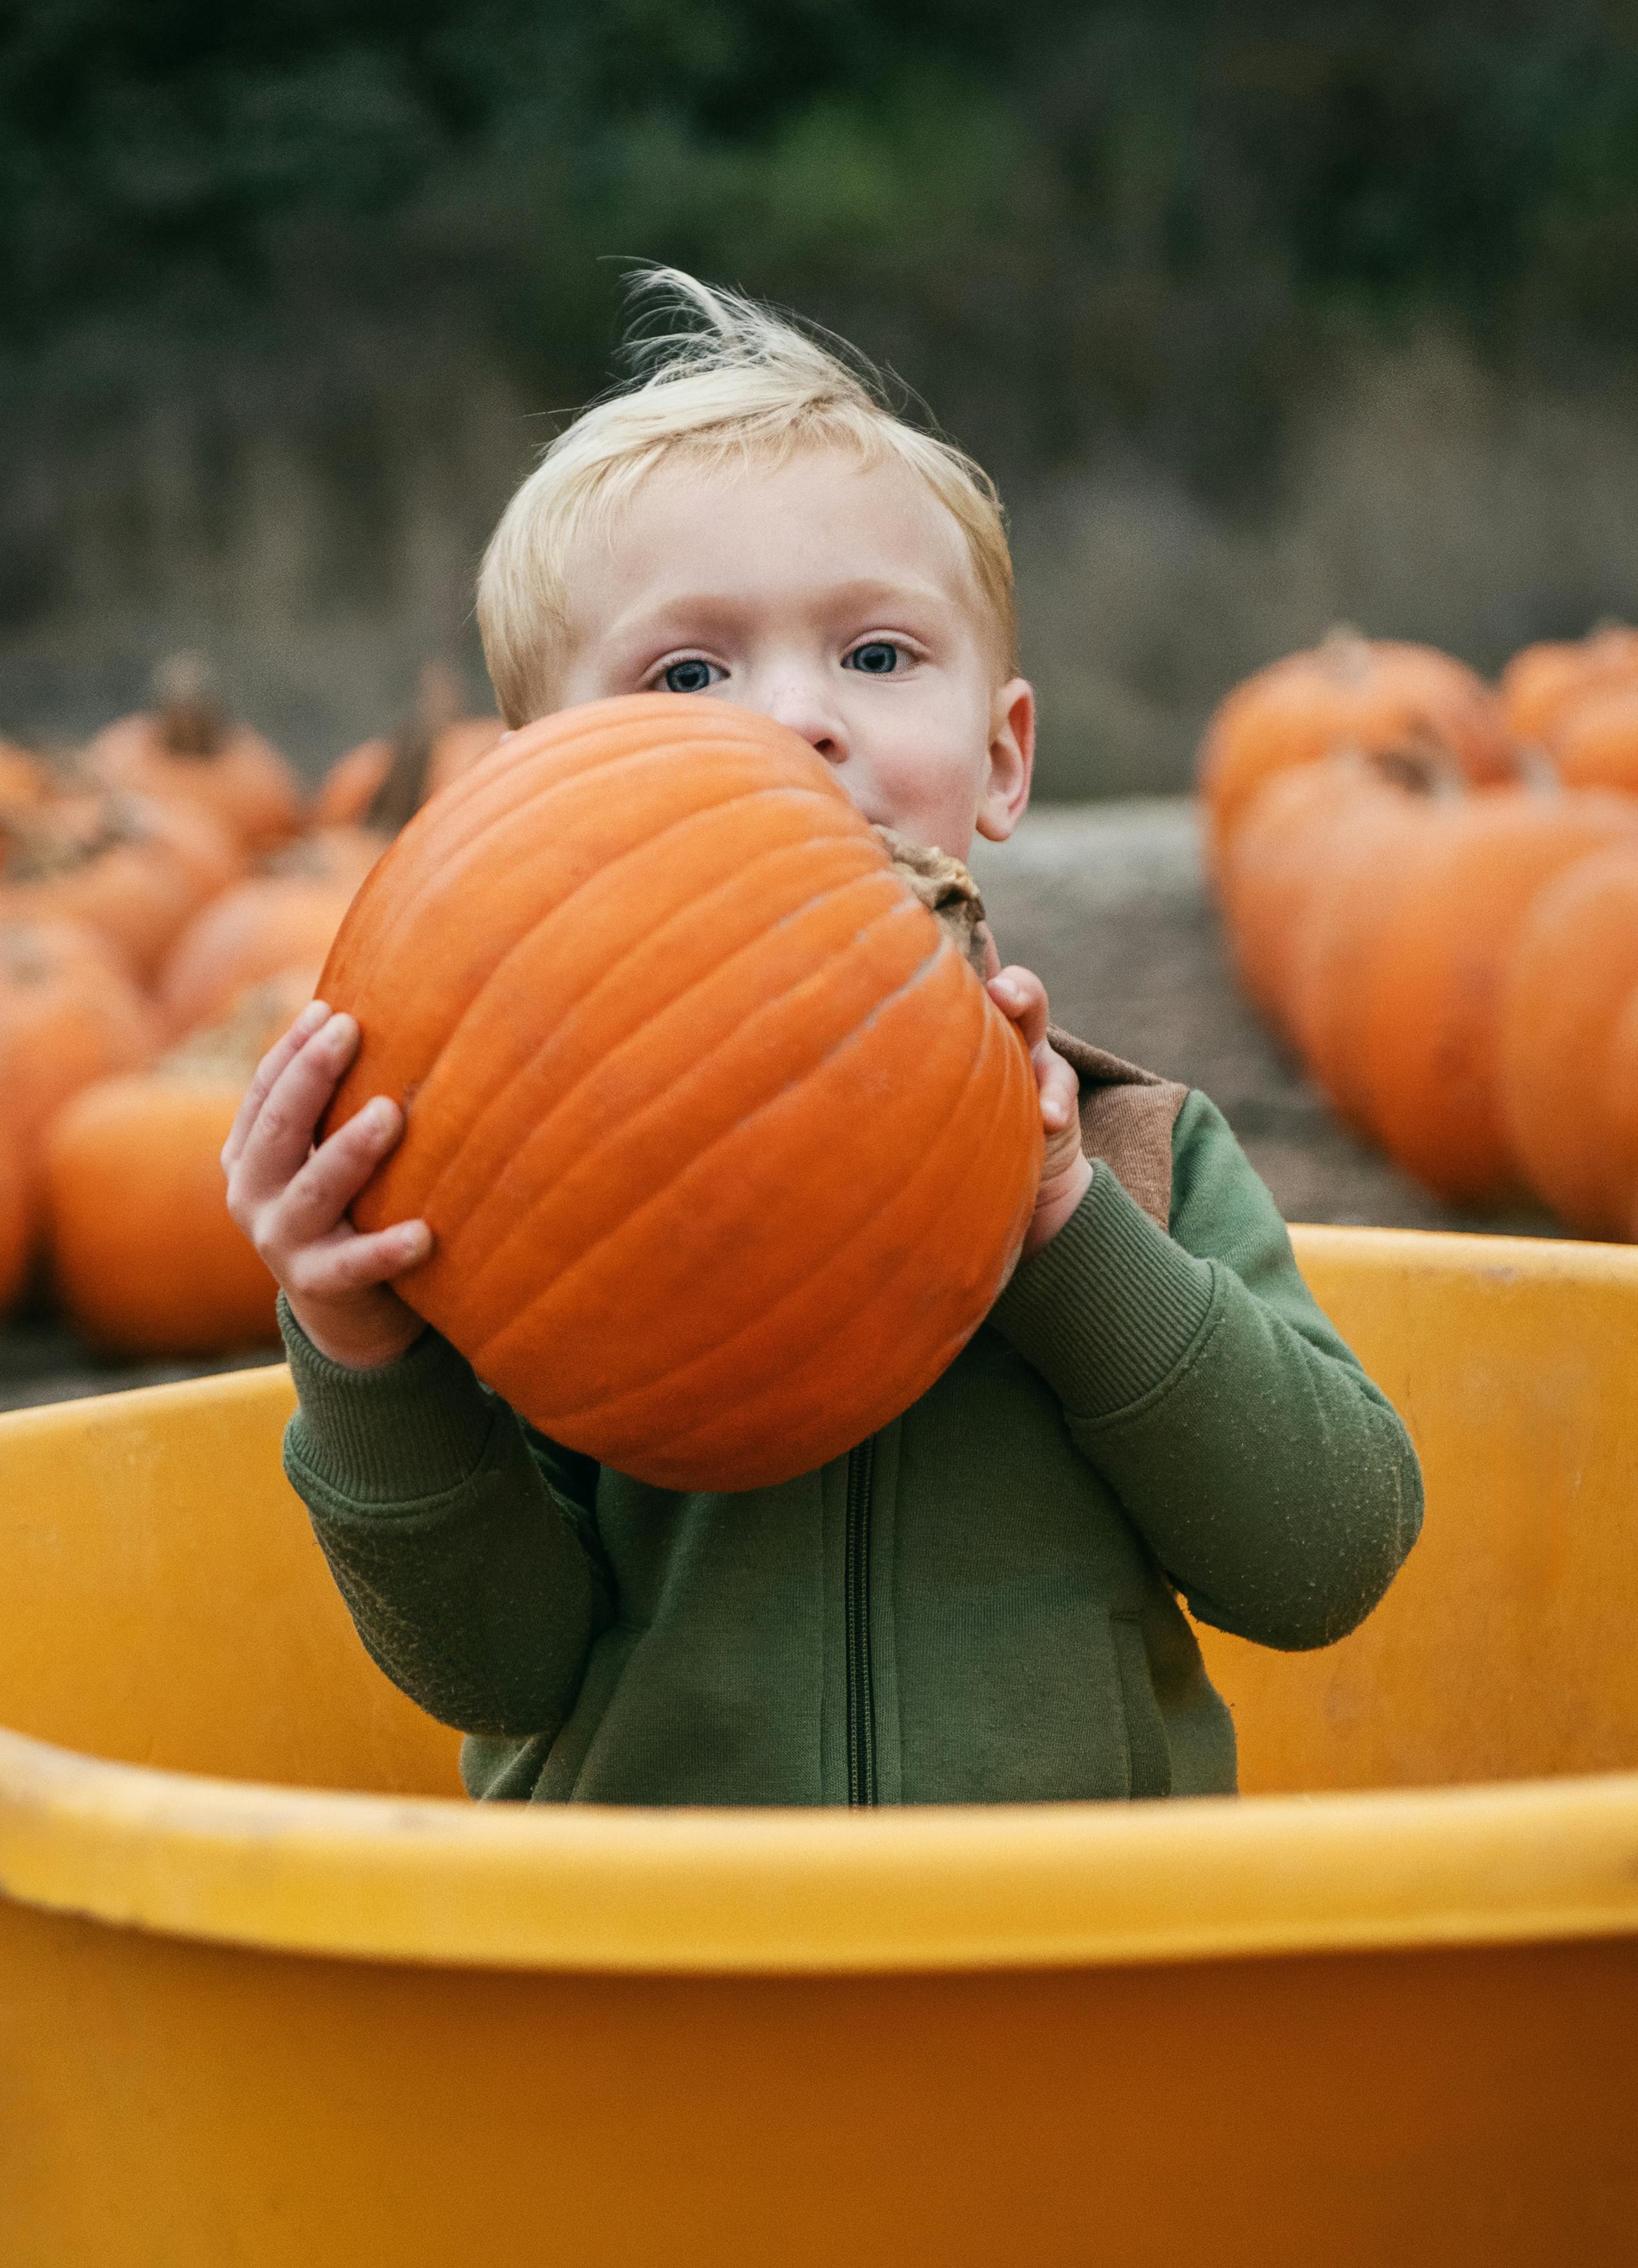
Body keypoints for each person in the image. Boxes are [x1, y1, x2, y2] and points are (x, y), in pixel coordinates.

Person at [222, 272, 1422, 1807]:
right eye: (686, 677)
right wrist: (367, 1351)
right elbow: (496, 1670)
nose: (795, 720)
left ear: (999, 759)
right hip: (669, 1998)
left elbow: (1322, 1565)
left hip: (1065, 1988)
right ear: (543, 790)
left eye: (874, 657)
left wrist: (1062, 1231)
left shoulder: (1137, 1155)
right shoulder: (501, 1192)